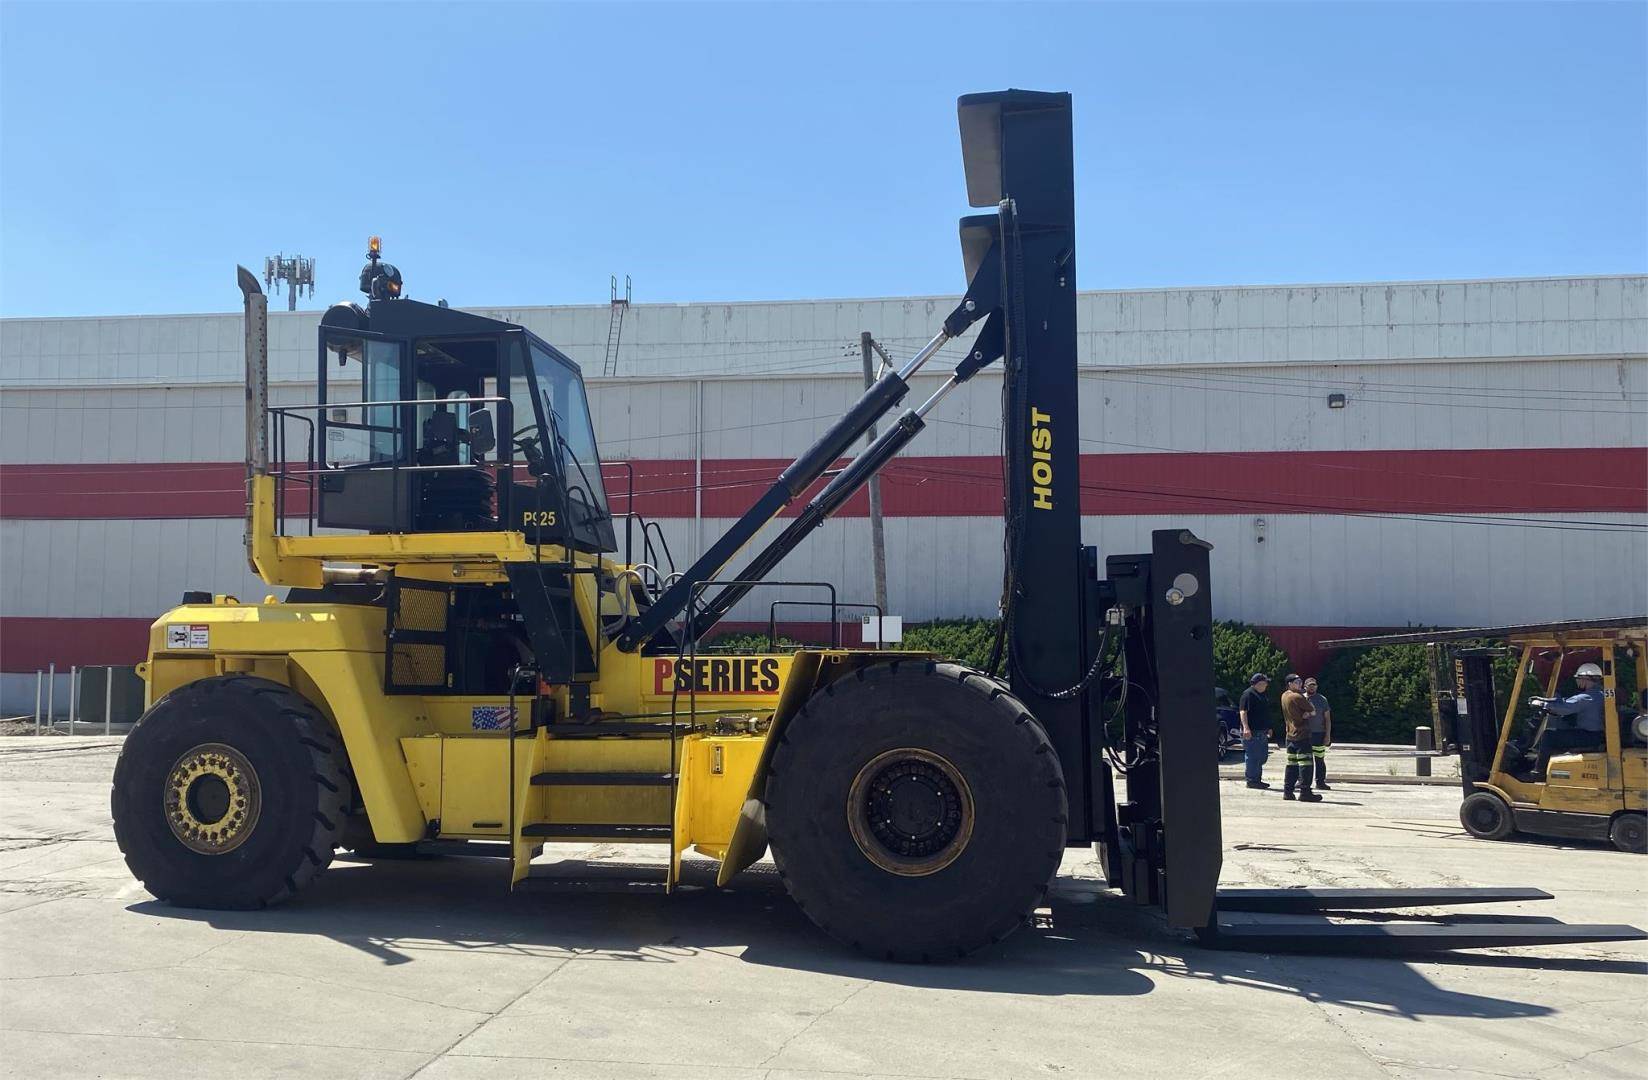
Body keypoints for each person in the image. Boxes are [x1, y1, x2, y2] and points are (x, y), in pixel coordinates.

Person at [1530, 663, 1607, 775]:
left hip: (1589, 736)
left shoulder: (1587, 697)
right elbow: (1567, 702)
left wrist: (1542, 704)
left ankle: (1539, 772)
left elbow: (1564, 708)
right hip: (1596, 735)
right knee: (1563, 727)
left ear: (1585, 678)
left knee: (1548, 735)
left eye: (1578, 678)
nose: (1577, 681)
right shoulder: (1600, 694)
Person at [1280, 674, 1322, 802]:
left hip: (1290, 735)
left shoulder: (1284, 695)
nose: (1300, 684)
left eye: (1300, 681)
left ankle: (1288, 791)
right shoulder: (1297, 696)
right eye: (1297, 682)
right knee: (1306, 764)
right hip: (1302, 734)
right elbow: (1313, 710)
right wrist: (1307, 713)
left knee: (1291, 764)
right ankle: (1305, 792)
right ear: (1290, 684)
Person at [1238, 673, 1273, 789]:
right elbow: (1243, 712)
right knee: (1253, 756)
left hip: (1262, 731)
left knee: (1262, 756)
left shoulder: (1262, 694)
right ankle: (1252, 780)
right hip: (1252, 732)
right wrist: (1246, 728)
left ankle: (1257, 779)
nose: (1266, 685)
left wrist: (1268, 727)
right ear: (1257, 683)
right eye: (1264, 683)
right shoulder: (1248, 694)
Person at [1304, 677, 1332, 791]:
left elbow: (1327, 719)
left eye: (1314, 685)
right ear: (1305, 686)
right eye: (1310, 685)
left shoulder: (1322, 699)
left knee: (1319, 759)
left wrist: (1327, 735)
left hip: (1318, 733)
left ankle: (1320, 782)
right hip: (1304, 734)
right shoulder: (1300, 698)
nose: (1312, 687)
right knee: (1304, 759)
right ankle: (1303, 781)